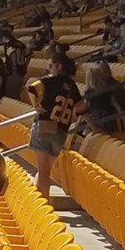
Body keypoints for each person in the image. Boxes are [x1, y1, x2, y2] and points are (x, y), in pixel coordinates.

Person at [26, 56, 83, 199]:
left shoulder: (49, 80)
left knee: (43, 172)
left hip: (44, 127)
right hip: (61, 131)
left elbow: (31, 88)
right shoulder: (71, 84)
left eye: (51, 65)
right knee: (45, 170)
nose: (48, 68)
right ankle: (40, 201)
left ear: (58, 66)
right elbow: (81, 107)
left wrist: (36, 106)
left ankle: (44, 205)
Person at [78, 61, 125, 137]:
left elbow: (83, 109)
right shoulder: (107, 90)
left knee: (82, 130)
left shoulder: (113, 87)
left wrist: (78, 122)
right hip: (109, 119)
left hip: (101, 121)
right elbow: (116, 105)